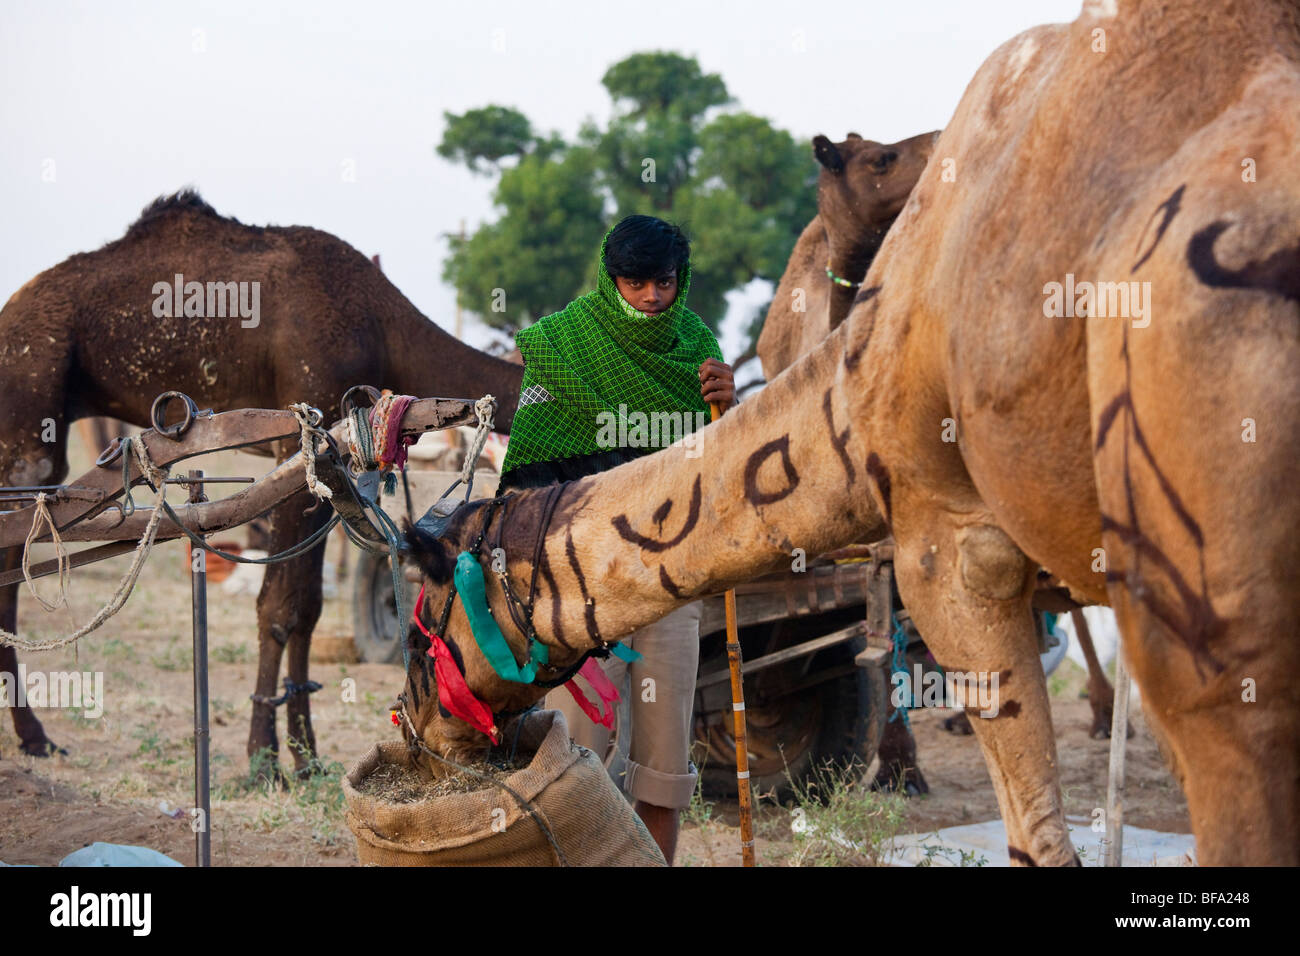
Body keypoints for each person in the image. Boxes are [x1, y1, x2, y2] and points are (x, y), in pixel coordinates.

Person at [497, 214, 734, 863]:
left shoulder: (698, 349)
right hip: (585, 578)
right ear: (611, 279)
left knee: (663, 757)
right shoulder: (562, 343)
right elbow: (529, 478)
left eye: (663, 282)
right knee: (577, 748)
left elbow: (713, 470)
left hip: (671, 576)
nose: (652, 298)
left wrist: (727, 411)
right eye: (636, 283)